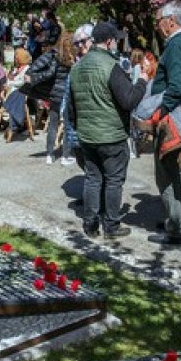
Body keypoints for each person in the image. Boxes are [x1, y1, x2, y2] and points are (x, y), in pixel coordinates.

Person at [69, 21, 147, 239]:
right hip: (111, 135)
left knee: (93, 178)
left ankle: (90, 224)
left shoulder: (77, 67)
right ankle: (111, 226)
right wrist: (141, 82)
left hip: (87, 135)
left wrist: (79, 127)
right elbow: (129, 100)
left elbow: (72, 107)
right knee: (113, 180)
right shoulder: (111, 67)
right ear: (110, 41)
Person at [147, 0, 181, 246]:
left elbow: (176, 86)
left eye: (159, 21)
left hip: (172, 119)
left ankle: (175, 227)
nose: (158, 26)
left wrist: (160, 113)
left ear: (171, 21)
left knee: (167, 173)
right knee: (178, 170)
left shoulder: (177, 46)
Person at [24, 30, 76, 164]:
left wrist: (33, 78)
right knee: (67, 125)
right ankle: (65, 155)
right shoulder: (73, 58)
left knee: (53, 124)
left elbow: (46, 72)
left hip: (54, 94)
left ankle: (49, 154)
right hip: (67, 95)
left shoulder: (55, 56)